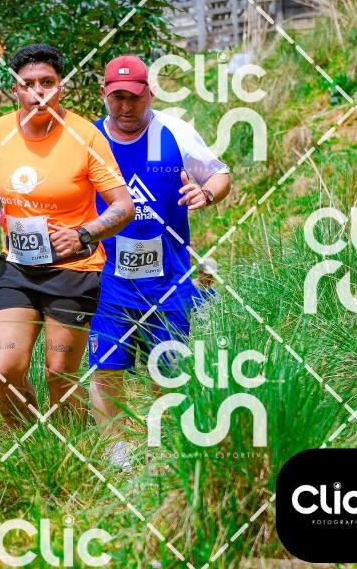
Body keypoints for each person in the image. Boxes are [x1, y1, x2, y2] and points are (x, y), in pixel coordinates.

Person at [0, 44, 134, 428]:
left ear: (61, 87)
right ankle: (28, 449)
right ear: (15, 89)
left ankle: (72, 449)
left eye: (47, 82)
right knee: (5, 368)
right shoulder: (1, 131)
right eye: (28, 84)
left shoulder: (85, 136)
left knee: (60, 373)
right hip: (17, 267)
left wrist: (83, 234)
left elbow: (123, 206)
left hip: (73, 270)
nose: (38, 92)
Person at [86, 55, 230, 470]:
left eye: (134, 97)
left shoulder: (174, 132)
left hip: (169, 277)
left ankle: (163, 448)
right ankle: (117, 452)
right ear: (104, 94)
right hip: (107, 277)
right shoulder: (89, 139)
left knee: (167, 367)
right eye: (117, 97)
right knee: (106, 368)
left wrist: (206, 194)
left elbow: (220, 174)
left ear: (149, 93)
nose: (126, 107)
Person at [191, 257, 220, 322]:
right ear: (200, 273)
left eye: (212, 275)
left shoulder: (213, 292)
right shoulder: (190, 288)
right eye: (208, 275)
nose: (211, 279)